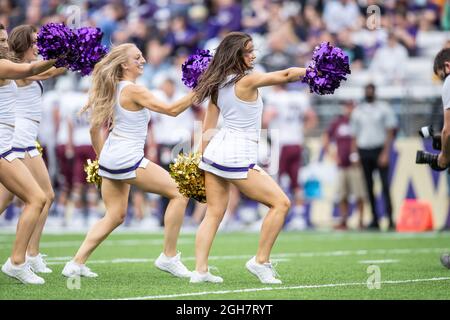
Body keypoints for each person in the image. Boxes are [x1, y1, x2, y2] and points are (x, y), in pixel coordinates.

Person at [61, 43, 196, 279]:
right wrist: (200, 89)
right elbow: (172, 110)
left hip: (112, 158)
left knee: (115, 215)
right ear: (124, 64)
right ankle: (169, 257)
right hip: (127, 158)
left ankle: (75, 263)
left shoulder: (112, 88)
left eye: (142, 55)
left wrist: (103, 160)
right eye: (137, 57)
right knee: (180, 192)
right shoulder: (133, 90)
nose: (142, 60)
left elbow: (94, 130)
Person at [192, 32, 307, 284]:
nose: (253, 55)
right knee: (281, 203)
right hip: (236, 155)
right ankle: (260, 261)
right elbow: (286, 75)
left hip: (215, 154)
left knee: (213, 213)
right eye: (248, 51)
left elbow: (207, 127)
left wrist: (198, 160)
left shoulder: (216, 85)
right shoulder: (245, 81)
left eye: (253, 50)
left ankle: (200, 271)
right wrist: (314, 70)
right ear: (236, 55)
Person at [0, 26, 59, 284]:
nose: (5, 44)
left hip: (13, 140)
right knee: (38, 197)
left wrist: (79, 56)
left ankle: (25, 257)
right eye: (1, 40)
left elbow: (43, 71)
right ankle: (19, 260)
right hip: (11, 141)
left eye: (5, 39)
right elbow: (33, 71)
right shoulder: (9, 68)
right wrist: (68, 53)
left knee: (28, 198)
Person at [350, 83, 397, 230]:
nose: (369, 92)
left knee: (385, 186)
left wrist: (385, 152)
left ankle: (390, 218)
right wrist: (355, 154)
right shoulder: (358, 111)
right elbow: (354, 135)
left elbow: (390, 131)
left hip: (379, 149)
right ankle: (374, 218)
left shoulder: (383, 108)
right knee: (368, 187)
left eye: (371, 90)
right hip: (364, 151)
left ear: (375, 92)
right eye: (367, 90)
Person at [323, 100, 365, 230]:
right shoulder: (338, 122)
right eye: (347, 106)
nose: (349, 109)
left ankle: (361, 220)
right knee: (342, 195)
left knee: (359, 194)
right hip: (342, 165)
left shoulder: (359, 121)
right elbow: (325, 137)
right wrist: (333, 156)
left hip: (356, 165)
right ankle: (344, 220)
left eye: (351, 106)